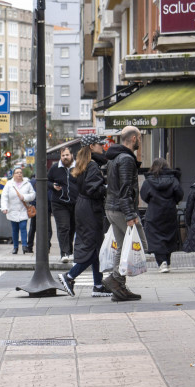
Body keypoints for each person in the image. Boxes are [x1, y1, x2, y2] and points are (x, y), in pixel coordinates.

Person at [57, 134, 112, 298]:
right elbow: (93, 189)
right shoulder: (93, 166)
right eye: (99, 144)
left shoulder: (83, 164)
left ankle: (98, 285)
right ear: (91, 147)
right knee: (92, 248)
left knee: (95, 246)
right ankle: (69, 276)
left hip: (83, 206)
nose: (102, 147)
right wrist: (107, 188)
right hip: (90, 209)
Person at [102, 126, 148, 302]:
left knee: (122, 248)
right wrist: (130, 215)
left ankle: (119, 289)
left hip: (112, 208)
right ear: (134, 138)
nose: (141, 142)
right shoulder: (127, 159)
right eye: (140, 138)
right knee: (140, 244)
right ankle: (114, 279)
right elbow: (125, 189)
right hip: (122, 210)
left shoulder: (114, 158)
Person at [140, 158, 183, 273]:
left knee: (155, 237)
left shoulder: (149, 181)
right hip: (169, 212)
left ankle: (162, 262)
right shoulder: (173, 180)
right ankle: (167, 262)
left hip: (154, 212)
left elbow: (144, 196)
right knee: (168, 236)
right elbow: (179, 194)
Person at [47, 146, 78, 263]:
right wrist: (52, 186)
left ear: (71, 155)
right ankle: (64, 253)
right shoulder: (55, 168)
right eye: (63, 155)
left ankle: (70, 251)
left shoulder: (78, 167)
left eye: (67, 155)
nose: (65, 157)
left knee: (72, 228)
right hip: (59, 202)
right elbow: (47, 181)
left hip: (75, 203)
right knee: (63, 227)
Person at [0, 166, 36, 254]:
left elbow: (33, 195)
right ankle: (15, 247)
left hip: (23, 210)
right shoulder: (9, 184)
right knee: (15, 229)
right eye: (17, 172)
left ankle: (24, 246)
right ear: (13, 175)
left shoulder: (27, 183)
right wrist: (4, 208)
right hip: (12, 210)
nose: (19, 174)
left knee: (23, 227)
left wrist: (24, 197)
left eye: (20, 172)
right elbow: (4, 196)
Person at [26, 173, 52, 254]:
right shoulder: (48, 182)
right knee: (47, 229)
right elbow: (50, 195)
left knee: (33, 228)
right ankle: (46, 247)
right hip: (45, 208)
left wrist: (32, 205)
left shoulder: (31, 182)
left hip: (35, 207)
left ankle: (29, 247)